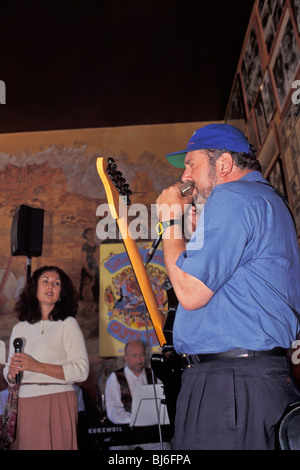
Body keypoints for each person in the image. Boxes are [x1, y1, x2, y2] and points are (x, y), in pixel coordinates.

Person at [156, 123, 300, 450]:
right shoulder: (264, 199)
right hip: (252, 378)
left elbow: (191, 292)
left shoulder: (232, 197)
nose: (186, 175)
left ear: (222, 164)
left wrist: (170, 222)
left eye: (191, 164)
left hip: (231, 384)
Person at [3, 265, 89, 450]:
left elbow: (81, 371)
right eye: (46, 281)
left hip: (58, 400)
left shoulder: (68, 324)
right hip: (26, 403)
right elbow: (9, 375)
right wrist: (10, 373)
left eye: (56, 283)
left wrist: (37, 366)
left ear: (61, 294)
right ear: (34, 289)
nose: (51, 286)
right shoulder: (20, 328)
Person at [104, 340, 169, 449]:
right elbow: (114, 412)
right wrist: (137, 420)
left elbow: (162, 405)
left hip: (150, 432)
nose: (139, 360)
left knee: (163, 446)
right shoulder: (115, 378)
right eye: (134, 356)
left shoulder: (154, 376)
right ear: (126, 357)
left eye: (142, 355)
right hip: (124, 433)